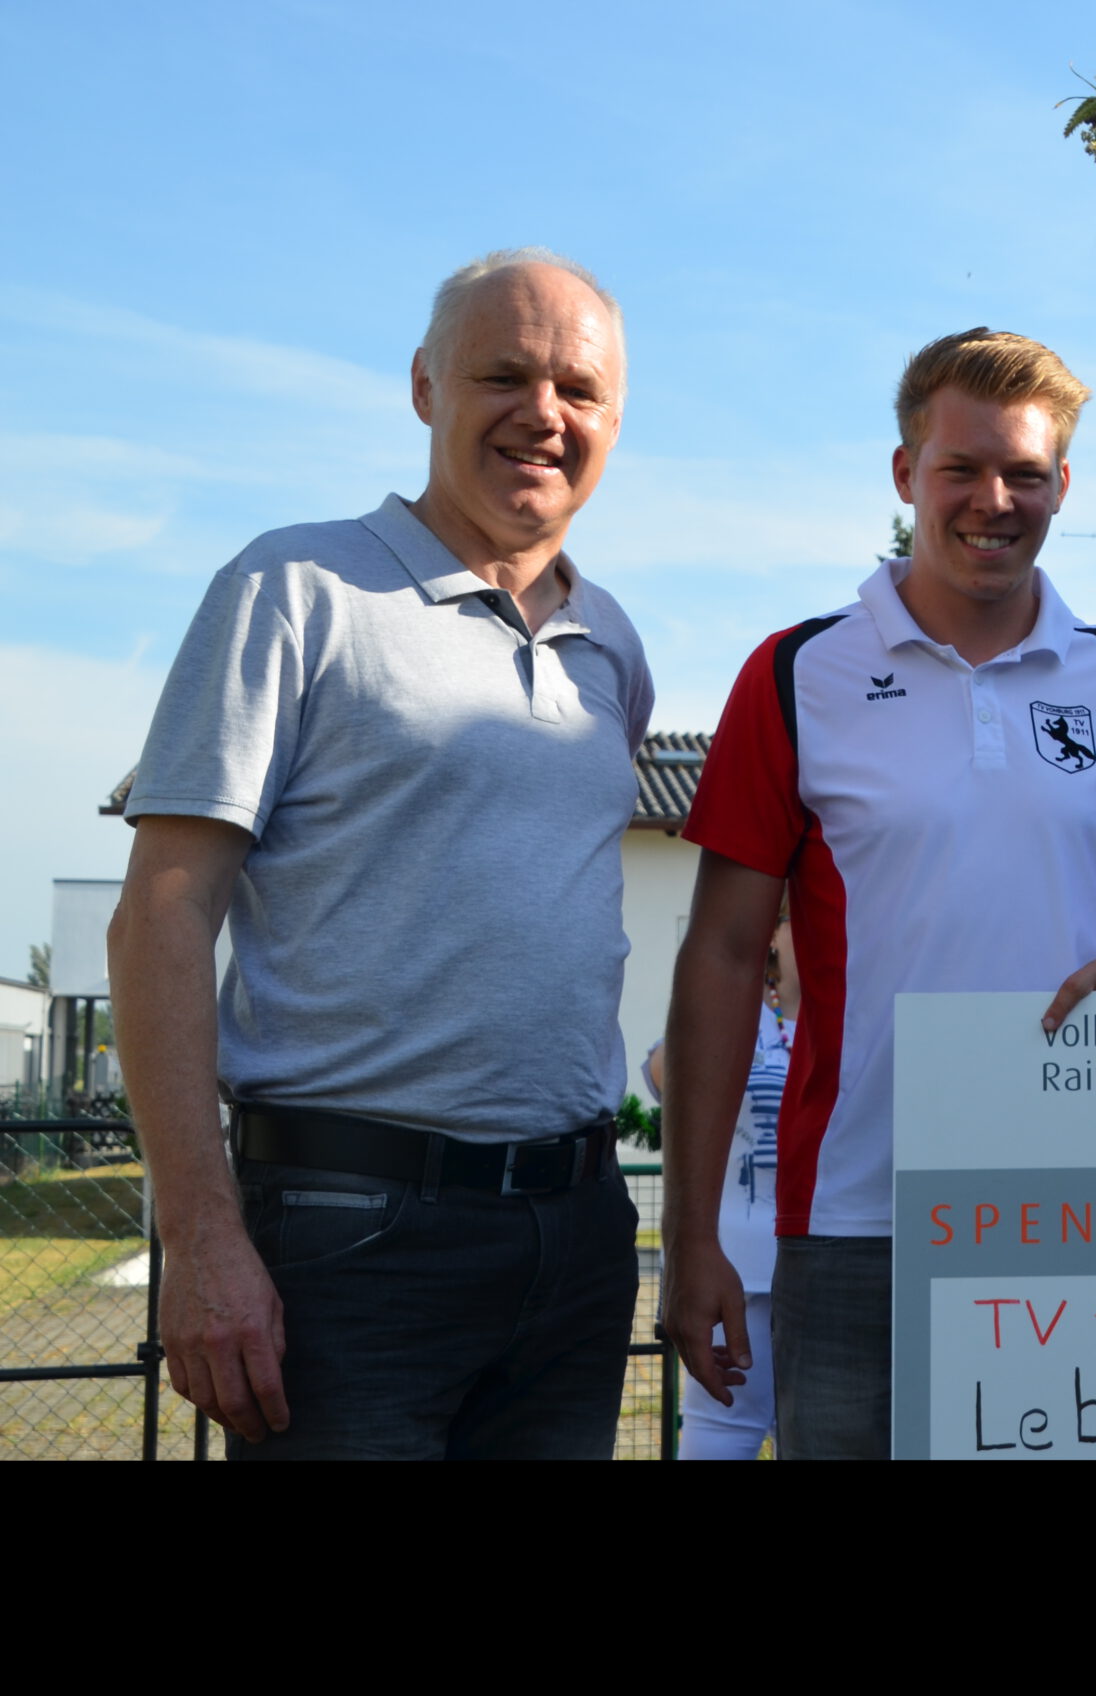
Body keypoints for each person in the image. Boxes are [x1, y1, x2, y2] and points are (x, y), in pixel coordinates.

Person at [106, 249, 652, 1459]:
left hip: (575, 1241)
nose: (544, 414)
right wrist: (199, 1235)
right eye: (503, 375)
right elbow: (159, 917)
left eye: (579, 388)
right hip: (348, 1239)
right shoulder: (294, 588)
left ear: (615, 418)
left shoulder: (610, 642)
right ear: (423, 385)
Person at [662, 328, 1096, 1460]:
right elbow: (720, 953)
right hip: (855, 1220)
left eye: (1025, 473)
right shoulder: (797, 672)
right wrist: (689, 1237)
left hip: (1083, 1209)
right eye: (961, 468)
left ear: (1062, 485)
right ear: (905, 472)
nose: (993, 501)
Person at [644, 913, 796, 1459]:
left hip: (828, 1265)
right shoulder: (741, 1012)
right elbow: (663, 1074)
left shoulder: (857, 1017)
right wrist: (733, 995)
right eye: (796, 916)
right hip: (737, 1268)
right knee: (721, 1427)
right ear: (772, 933)